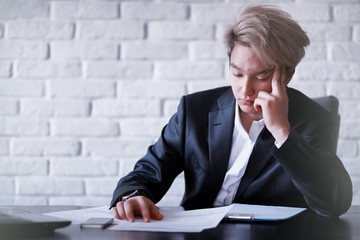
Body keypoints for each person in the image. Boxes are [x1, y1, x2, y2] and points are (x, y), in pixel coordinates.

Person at [110, 5, 353, 222]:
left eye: (261, 77)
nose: (244, 89)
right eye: (237, 74)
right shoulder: (195, 110)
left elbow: (333, 204)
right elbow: (146, 172)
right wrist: (134, 195)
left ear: (287, 75)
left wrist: (283, 132)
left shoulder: (313, 119)